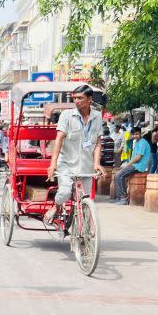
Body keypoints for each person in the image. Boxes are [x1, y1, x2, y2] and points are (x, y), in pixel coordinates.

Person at [44, 84, 105, 225]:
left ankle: (84, 233)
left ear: (89, 99)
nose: (76, 101)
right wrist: (53, 164)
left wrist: (96, 163)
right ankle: (56, 206)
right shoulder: (66, 115)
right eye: (75, 98)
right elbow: (59, 139)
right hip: (66, 164)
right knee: (65, 192)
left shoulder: (97, 117)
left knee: (86, 200)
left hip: (86, 166)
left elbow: (97, 142)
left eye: (80, 98)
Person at [113, 125, 151, 204]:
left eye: (137, 134)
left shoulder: (142, 143)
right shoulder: (137, 142)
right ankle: (121, 197)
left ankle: (123, 198)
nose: (135, 136)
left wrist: (128, 165)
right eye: (133, 134)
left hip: (139, 166)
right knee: (119, 175)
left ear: (140, 134)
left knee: (118, 175)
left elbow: (138, 158)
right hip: (135, 165)